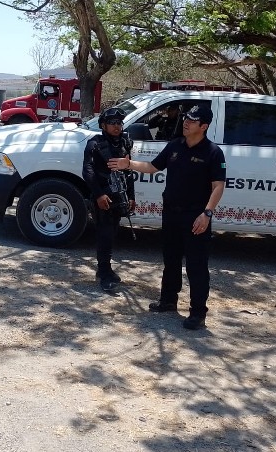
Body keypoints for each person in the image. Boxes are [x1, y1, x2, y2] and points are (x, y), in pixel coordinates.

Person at [109, 103, 225, 329]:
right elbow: (153, 167)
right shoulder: (175, 146)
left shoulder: (212, 152)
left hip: (196, 218)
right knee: (170, 260)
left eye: (192, 121)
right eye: (186, 119)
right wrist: (128, 164)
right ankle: (168, 300)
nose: (186, 123)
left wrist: (207, 213)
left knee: (196, 266)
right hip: (171, 214)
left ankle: (198, 312)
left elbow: (218, 186)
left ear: (204, 126)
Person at [82, 107, 136, 292]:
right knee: (104, 235)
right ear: (103, 125)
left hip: (119, 195)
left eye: (119, 123)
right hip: (102, 195)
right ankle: (104, 273)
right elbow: (88, 171)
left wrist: (131, 197)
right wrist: (98, 195)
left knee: (112, 233)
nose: (117, 127)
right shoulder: (95, 143)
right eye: (113, 123)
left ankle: (105, 269)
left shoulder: (125, 142)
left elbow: (128, 172)